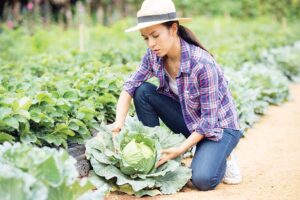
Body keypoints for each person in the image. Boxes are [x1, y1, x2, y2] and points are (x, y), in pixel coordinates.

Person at [112, 0, 243, 191]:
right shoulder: (153, 56)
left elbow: (208, 121)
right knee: (142, 92)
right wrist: (118, 124)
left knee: (203, 180)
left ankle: (224, 154)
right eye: (145, 38)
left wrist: (180, 150)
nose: (151, 44)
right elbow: (129, 86)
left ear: (173, 28)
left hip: (220, 127)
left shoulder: (202, 64)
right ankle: (157, 154)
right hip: (191, 120)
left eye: (155, 35)